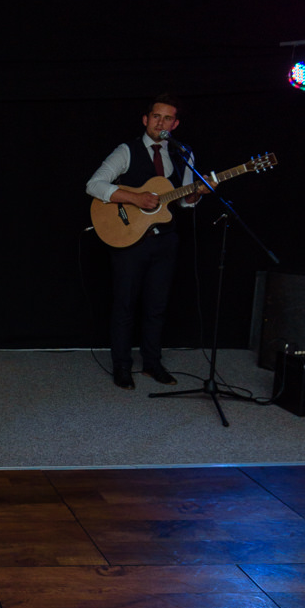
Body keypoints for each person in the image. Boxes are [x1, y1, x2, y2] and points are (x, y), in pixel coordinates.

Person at [86, 96, 204, 390]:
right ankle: (122, 366)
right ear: (145, 119)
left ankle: (152, 364)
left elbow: (186, 202)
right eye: (156, 117)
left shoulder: (183, 153)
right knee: (125, 305)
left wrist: (196, 195)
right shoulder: (126, 150)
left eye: (167, 119)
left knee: (157, 306)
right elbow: (94, 184)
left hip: (165, 241)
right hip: (130, 240)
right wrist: (135, 198)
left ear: (174, 125)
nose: (160, 123)